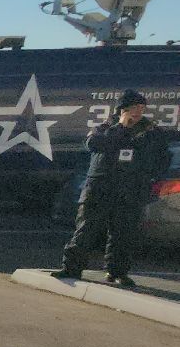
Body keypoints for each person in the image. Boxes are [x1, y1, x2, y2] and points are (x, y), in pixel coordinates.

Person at [53, 90, 176, 288]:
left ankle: (117, 272)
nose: (138, 113)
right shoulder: (105, 128)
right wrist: (121, 128)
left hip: (131, 189)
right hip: (101, 187)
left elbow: (164, 157)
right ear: (123, 109)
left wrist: (150, 176)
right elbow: (93, 144)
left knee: (123, 234)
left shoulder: (151, 132)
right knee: (87, 229)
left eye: (141, 109)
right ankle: (72, 267)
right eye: (134, 108)